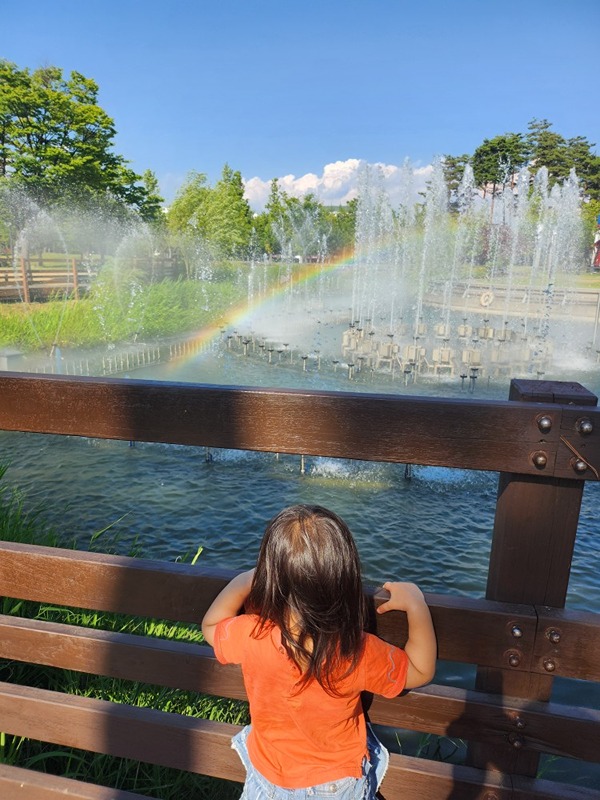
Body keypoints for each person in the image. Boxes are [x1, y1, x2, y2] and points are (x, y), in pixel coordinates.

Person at [201, 504, 437, 799]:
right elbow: (420, 669)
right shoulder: (355, 650)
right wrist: (416, 604)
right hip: (336, 786)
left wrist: (244, 580)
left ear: (270, 578)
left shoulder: (252, 634)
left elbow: (211, 626)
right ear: (345, 580)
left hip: (269, 778)